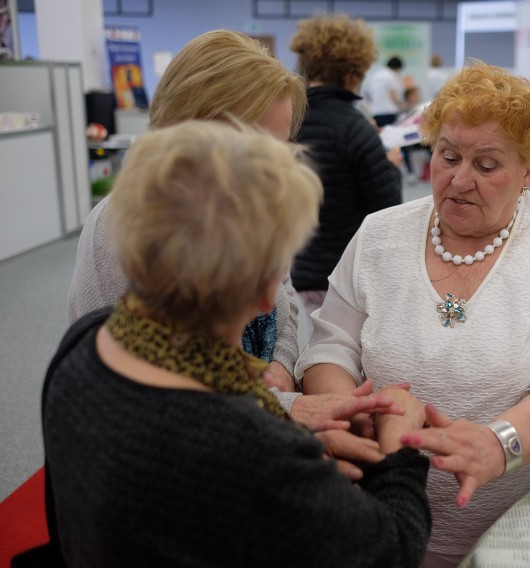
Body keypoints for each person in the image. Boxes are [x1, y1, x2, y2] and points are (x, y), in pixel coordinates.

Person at [42, 120, 432, 567]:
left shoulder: (87, 341)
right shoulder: (246, 449)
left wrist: (295, 462)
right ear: (267, 291)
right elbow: (392, 548)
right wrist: (400, 450)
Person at [297, 62, 530, 567]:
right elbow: (329, 346)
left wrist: (498, 443)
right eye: (447, 156)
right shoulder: (379, 235)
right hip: (387, 504)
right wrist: (347, 414)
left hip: (528, 519)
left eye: (486, 166)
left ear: (529, 169)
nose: (459, 179)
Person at [67, 30, 304, 392]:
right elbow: (144, 392)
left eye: (281, 149)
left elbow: (283, 292)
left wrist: (282, 365)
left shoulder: (253, 206)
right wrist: (283, 407)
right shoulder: (125, 229)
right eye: (254, 149)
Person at [289, 14, 403, 320]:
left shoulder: (288, 120)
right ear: (354, 72)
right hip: (346, 276)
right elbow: (387, 211)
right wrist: (390, 166)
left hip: (303, 271)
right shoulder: (356, 129)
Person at [366, 55, 404, 127]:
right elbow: (393, 96)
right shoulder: (392, 75)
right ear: (397, 68)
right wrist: (403, 106)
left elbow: (369, 94)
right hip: (389, 113)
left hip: (376, 112)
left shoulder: (376, 76)